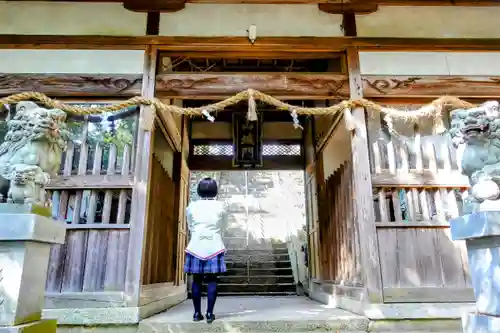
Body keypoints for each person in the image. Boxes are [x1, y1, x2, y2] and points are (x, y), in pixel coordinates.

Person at [184, 177, 226, 323]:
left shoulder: (191, 207)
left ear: (199, 191)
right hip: (215, 245)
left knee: (196, 280)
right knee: (213, 280)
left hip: (195, 246)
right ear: (215, 191)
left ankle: (196, 314)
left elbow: (190, 226)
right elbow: (223, 226)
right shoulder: (221, 206)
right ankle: (209, 314)